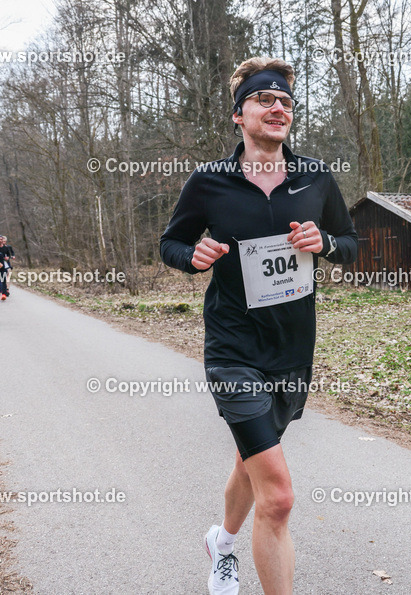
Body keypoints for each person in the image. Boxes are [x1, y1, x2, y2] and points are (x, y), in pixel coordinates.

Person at [160, 57, 357, 595]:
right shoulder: (209, 182)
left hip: (292, 351)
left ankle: (221, 543)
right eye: (264, 99)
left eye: (286, 102)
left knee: (252, 458)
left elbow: (350, 242)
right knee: (280, 498)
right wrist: (192, 256)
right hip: (233, 350)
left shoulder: (315, 177)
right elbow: (171, 243)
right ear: (238, 114)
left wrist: (327, 243)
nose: (277, 108)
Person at [0, 235, 15, 300]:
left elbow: (9, 254)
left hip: (5, 264)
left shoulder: (6, 248)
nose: (0, 241)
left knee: (5, 277)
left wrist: (8, 258)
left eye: (1, 239)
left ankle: (5, 292)